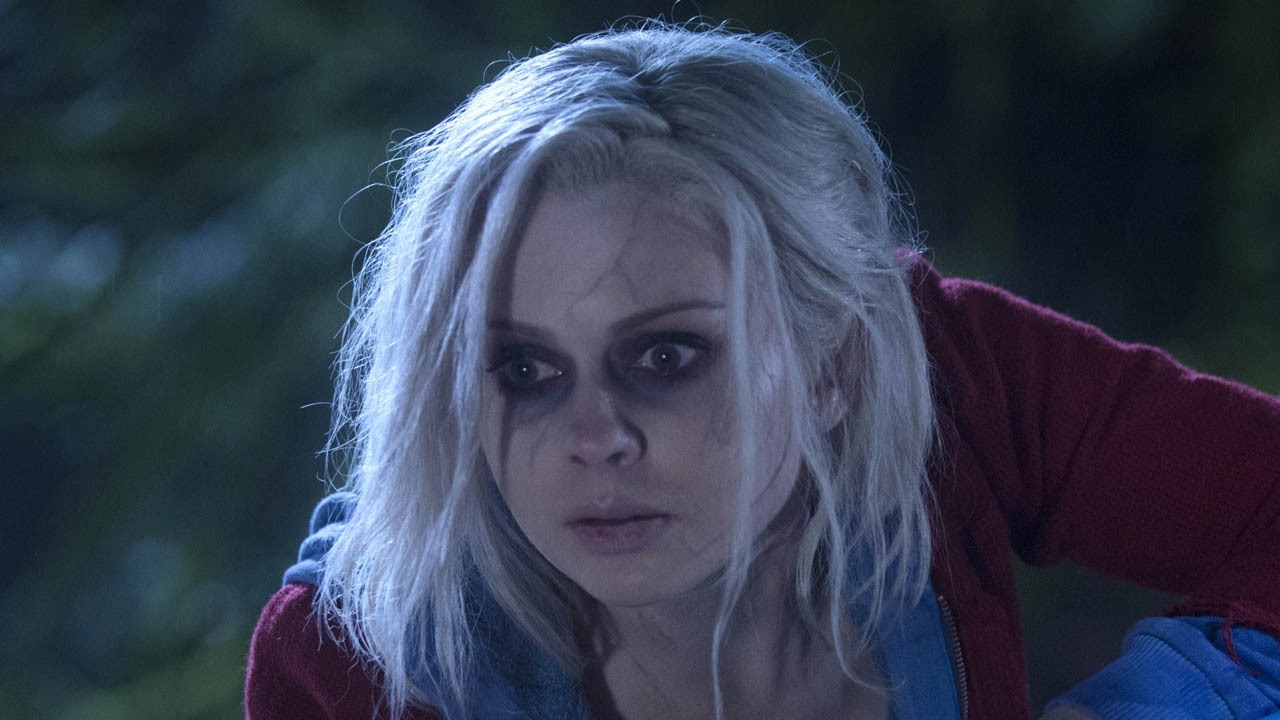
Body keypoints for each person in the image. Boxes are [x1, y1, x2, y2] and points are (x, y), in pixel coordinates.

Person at [244, 22, 1280, 720]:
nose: (592, 439)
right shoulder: (354, 668)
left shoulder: (946, 374)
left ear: (834, 360)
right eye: (521, 367)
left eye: (665, 356)